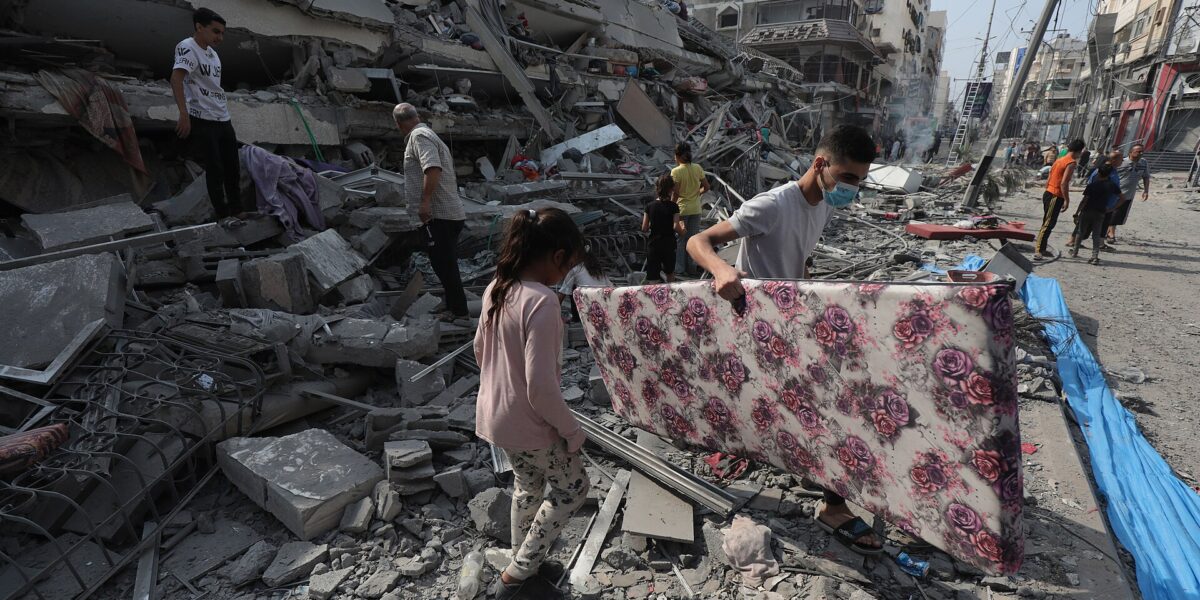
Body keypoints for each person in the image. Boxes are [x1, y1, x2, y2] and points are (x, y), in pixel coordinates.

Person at [687, 125, 883, 556]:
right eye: (848, 178)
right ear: (820, 164)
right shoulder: (773, 205)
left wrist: (811, 300)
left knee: (808, 406)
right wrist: (722, 271)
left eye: (860, 181)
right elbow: (698, 241)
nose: (853, 188)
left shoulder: (823, 206)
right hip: (757, 327)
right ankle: (833, 506)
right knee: (821, 408)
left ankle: (792, 464)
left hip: (790, 324)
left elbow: (800, 255)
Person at [475, 208, 590, 600]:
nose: (567, 273)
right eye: (569, 264)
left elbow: (479, 351)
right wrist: (572, 431)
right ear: (557, 256)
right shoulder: (542, 302)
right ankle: (515, 577)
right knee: (573, 489)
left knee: (528, 486)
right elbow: (541, 388)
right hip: (531, 424)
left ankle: (526, 564)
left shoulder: (498, 287)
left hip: (495, 417)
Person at [172, 8, 250, 222]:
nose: (220, 37)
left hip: (222, 117)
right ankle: (223, 215)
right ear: (199, 27)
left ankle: (237, 210)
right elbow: (176, 79)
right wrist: (183, 113)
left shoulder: (213, 55)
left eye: (222, 33)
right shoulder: (187, 47)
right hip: (202, 118)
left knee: (232, 166)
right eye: (216, 32)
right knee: (215, 168)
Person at [393, 102, 469, 320]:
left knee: (444, 264)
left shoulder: (419, 137)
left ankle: (459, 312)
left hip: (440, 215)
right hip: (447, 214)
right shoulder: (427, 134)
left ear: (398, 124)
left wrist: (425, 202)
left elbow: (432, 167)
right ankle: (451, 304)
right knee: (441, 262)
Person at [1033, 139, 1084, 261]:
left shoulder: (1059, 159)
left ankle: (1042, 248)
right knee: (1048, 223)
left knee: (1048, 222)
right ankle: (1038, 250)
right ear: (1078, 151)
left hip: (1049, 193)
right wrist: (1067, 200)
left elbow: (1050, 176)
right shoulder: (1070, 162)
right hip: (1055, 195)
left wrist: (1048, 189)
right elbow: (1064, 183)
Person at [1066, 149, 1123, 251]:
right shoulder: (1103, 171)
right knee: (1085, 227)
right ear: (1114, 160)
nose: (1122, 161)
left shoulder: (1111, 170)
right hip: (1097, 206)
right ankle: (1074, 242)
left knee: (1099, 226)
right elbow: (1091, 192)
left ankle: (1096, 245)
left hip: (1105, 206)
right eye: (1121, 159)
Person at [671, 142, 710, 277]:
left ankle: (680, 268)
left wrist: (671, 206)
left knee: (681, 240)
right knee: (692, 239)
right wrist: (696, 193)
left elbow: (675, 193)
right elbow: (706, 187)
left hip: (682, 210)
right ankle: (691, 268)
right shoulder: (697, 168)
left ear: (678, 156)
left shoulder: (676, 171)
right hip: (696, 209)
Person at [1069, 163, 1120, 264]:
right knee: (1096, 234)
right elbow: (1122, 198)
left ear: (1098, 173)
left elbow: (1084, 200)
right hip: (1100, 212)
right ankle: (1094, 256)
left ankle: (1075, 252)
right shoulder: (1112, 185)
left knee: (1081, 232)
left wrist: (1076, 212)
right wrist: (1112, 208)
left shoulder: (1092, 185)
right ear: (1109, 174)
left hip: (1087, 211)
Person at [643, 174, 685, 282]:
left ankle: (653, 298)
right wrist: (683, 231)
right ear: (671, 189)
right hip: (668, 244)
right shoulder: (674, 206)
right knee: (670, 273)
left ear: (657, 188)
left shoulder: (649, 206)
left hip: (653, 244)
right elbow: (676, 226)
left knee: (653, 277)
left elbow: (644, 228)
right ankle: (671, 296)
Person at [1108, 143, 1151, 243]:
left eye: (1142, 151)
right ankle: (1111, 234)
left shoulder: (1144, 163)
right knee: (1113, 212)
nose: (1141, 153)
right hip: (1116, 193)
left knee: (1119, 215)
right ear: (1130, 152)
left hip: (1129, 194)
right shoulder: (1122, 162)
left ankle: (1108, 231)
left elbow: (1146, 176)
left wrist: (1146, 190)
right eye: (1138, 151)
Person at [557, 248, 611, 322]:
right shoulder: (600, 271)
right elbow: (611, 287)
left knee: (572, 288)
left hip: (586, 310)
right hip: (602, 308)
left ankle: (576, 319)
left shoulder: (575, 270)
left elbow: (561, 294)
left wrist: (554, 314)